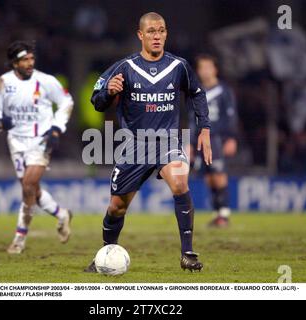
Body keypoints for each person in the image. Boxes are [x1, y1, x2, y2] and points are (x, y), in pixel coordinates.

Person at [84, 12, 212, 272]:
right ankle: (106, 253)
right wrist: (109, 92)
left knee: (180, 182)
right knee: (117, 207)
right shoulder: (124, 67)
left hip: (167, 141)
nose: (157, 36)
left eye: (162, 31)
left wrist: (204, 128)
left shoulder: (179, 66)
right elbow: (96, 101)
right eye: (151, 31)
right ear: (140, 35)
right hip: (134, 145)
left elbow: (197, 94)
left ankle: (187, 253)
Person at [0, 41, 74, 254]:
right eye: (25, 59)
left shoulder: (46, 81)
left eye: (32, 58)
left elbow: (66, 102)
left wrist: (56, 129)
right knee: (31, 188)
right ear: (14, 62)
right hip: (15, 141)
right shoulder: (3, 83)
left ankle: (19, 238)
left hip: (40, 140)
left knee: (27, 186)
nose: (30, 63)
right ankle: (62, 214)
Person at [189, 54, 238, 227]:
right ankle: (217, 212)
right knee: (208, 177)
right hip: (200, 140)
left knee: (218, 173)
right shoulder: (196, 92)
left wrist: (231, 137)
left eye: (208, 67)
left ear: (215, 69)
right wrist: (190, 143)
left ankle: (224, 213)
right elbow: (191, 119)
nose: (205, 71)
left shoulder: (224, 91)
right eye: (202, 68)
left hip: (217, 138)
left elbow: (231, 116)